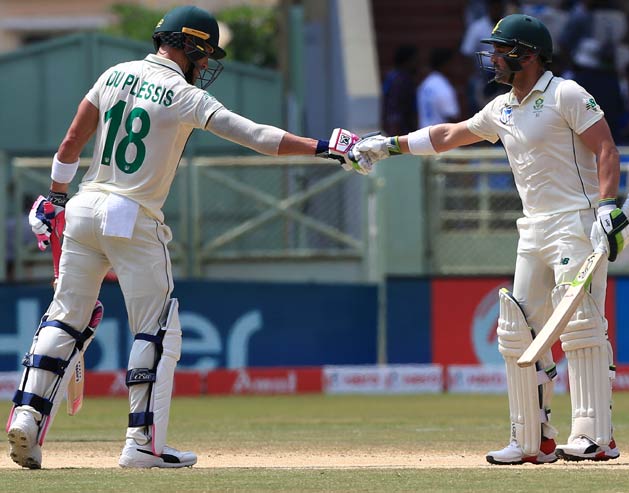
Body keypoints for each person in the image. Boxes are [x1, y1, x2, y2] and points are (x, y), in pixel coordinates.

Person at [6, 5, 364, 470]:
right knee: (156, 328)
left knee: (65, 318)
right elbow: (256, 136)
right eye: (205, 54)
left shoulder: (114, 74)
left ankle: (28, 418)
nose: (205, 65)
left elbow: (72, 141)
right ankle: (142, 443)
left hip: (83, 208)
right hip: (133, 215)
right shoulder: (181, 94)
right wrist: (325, 147)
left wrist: (54, 197)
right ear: (190, 46)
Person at [350, 14, 629, 464]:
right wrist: (388, 145)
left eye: (503, 50)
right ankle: (530, 441)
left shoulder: (566, 93)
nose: (494, 58)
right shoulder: (502, 108)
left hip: (575, 224)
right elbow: (448, 135)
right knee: (516, 330)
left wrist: (606, 206)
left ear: (530, 53)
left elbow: (605, 148)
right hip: (533, 226)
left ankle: (596, 437)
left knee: (580, 327)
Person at [417, 48, 460, 128]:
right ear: (445, 64)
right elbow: (452, 117)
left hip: (422, 135)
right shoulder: (442, 86)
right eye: (452, 63)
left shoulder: (425, 83)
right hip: (439, 136)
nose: (455, 67)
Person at [381, 44, 419, 136]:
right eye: (415, 60)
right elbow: (395, 106)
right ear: (407, 60)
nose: (417, 63)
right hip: (400, 128)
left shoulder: (391, 75)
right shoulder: (401, 80)